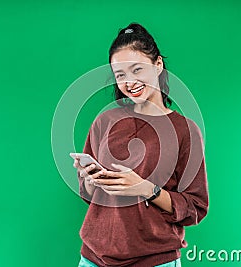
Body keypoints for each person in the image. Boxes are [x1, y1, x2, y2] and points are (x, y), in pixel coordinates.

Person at [73, 22, 209, 267]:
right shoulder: (105, 120)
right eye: (120, 75)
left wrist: (146, 189)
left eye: (137, 69)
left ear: (158, 65)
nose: (130, 82)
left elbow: (195, 207)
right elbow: (89, 195)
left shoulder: (185, 130)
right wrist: (91, 181)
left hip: (154, 260)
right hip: (93, 258)